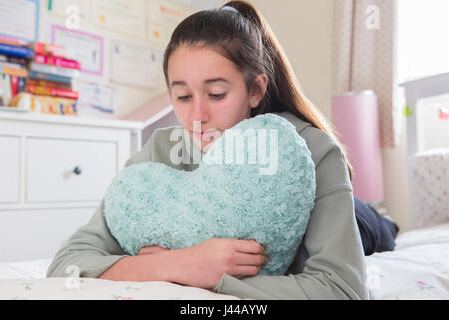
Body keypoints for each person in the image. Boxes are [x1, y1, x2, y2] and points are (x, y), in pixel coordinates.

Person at [47, 1, 378, 299]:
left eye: (217, 94)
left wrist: (213, 277)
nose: (197, 117)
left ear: (255, 90)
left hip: (358, 219)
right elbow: (68, 265)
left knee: (374, 225)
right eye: (183, 96)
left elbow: (343, 290)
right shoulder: (159, 154)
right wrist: (180, 264)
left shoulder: (314, 150)